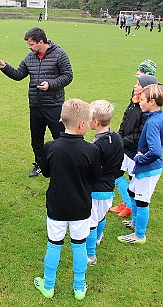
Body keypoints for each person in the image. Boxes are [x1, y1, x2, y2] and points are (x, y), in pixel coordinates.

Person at [33, 98, 101, 300]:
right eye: (89, 122)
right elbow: (95, 178)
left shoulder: (50, 147)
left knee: (54, 244)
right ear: (82, 125)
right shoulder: (92, 150)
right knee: (79, 244)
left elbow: (45, 172)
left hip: (57, 206)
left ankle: (49, 285)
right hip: (81, 206)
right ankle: (79, 288)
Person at [0, 27, 73, 177]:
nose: (29, 47)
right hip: (35, 105)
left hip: (54, 105)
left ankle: (64, 166)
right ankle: (40, 165)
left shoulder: (59, 54)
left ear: (41, 42)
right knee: (36, 139)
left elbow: (68, 76)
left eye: (31, 44)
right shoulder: (30, 57)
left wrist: (50, 84)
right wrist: (4, 66)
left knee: (61, 137)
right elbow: (18, 74)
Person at [110, 61, 157, 218]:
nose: (136, 76)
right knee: (117, 173)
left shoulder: (149, 107)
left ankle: (132, 208)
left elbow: (142, 134)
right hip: (125, 145)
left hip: (134, 150)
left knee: (132, 180)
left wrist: (122, 140)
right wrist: (119, 135)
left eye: (139, 74)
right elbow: (127, 117)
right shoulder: (136, 97)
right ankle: (129, 204)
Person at [118, 84, 163, 244]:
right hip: (144, 168)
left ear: (152, 102)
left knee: (142, 201)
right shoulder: (156, 117)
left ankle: (139, 235)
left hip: (148, 169)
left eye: (142, 99)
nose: (139, 102)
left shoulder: (151, 123)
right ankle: (135, 223)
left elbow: (155, 151)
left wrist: (139, 158)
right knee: (132, 192)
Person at [86, 100, 123, 266]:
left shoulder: (95, 147)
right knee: (101, 217)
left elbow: (91, 169)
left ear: (95, 122)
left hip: (95, 190)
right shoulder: (117, 138)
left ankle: (90, 255)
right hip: (109, 188)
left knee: (91, 223)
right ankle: (99, 237)